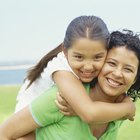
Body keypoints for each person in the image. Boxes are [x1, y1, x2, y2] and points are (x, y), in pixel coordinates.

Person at [0, 30, 139, 140]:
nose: (117, 73)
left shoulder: (117, 112)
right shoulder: (61, 98)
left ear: (135, 79)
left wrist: (125, 107)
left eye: (128, 69)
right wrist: (127, 108)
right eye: (111, 63)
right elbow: (4, 134)